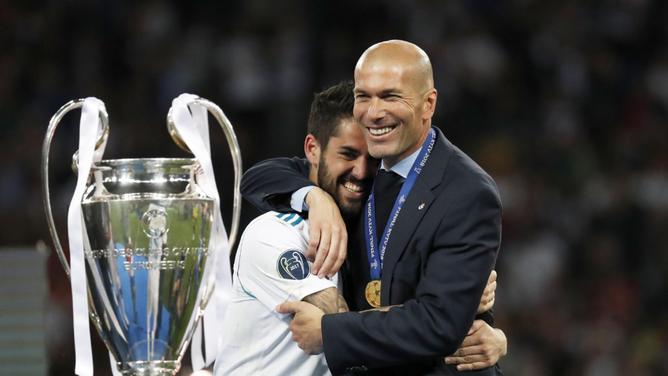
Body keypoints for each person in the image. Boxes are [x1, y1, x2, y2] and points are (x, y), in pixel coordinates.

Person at [242, 40, 504, 375]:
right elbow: (262, 175)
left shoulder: (467, 193)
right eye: (364, 96)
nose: (374, 112)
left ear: (428, 104)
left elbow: (439, 323)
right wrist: (314, 197)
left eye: (391, 96)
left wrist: (329, 333)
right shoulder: (367, 173)